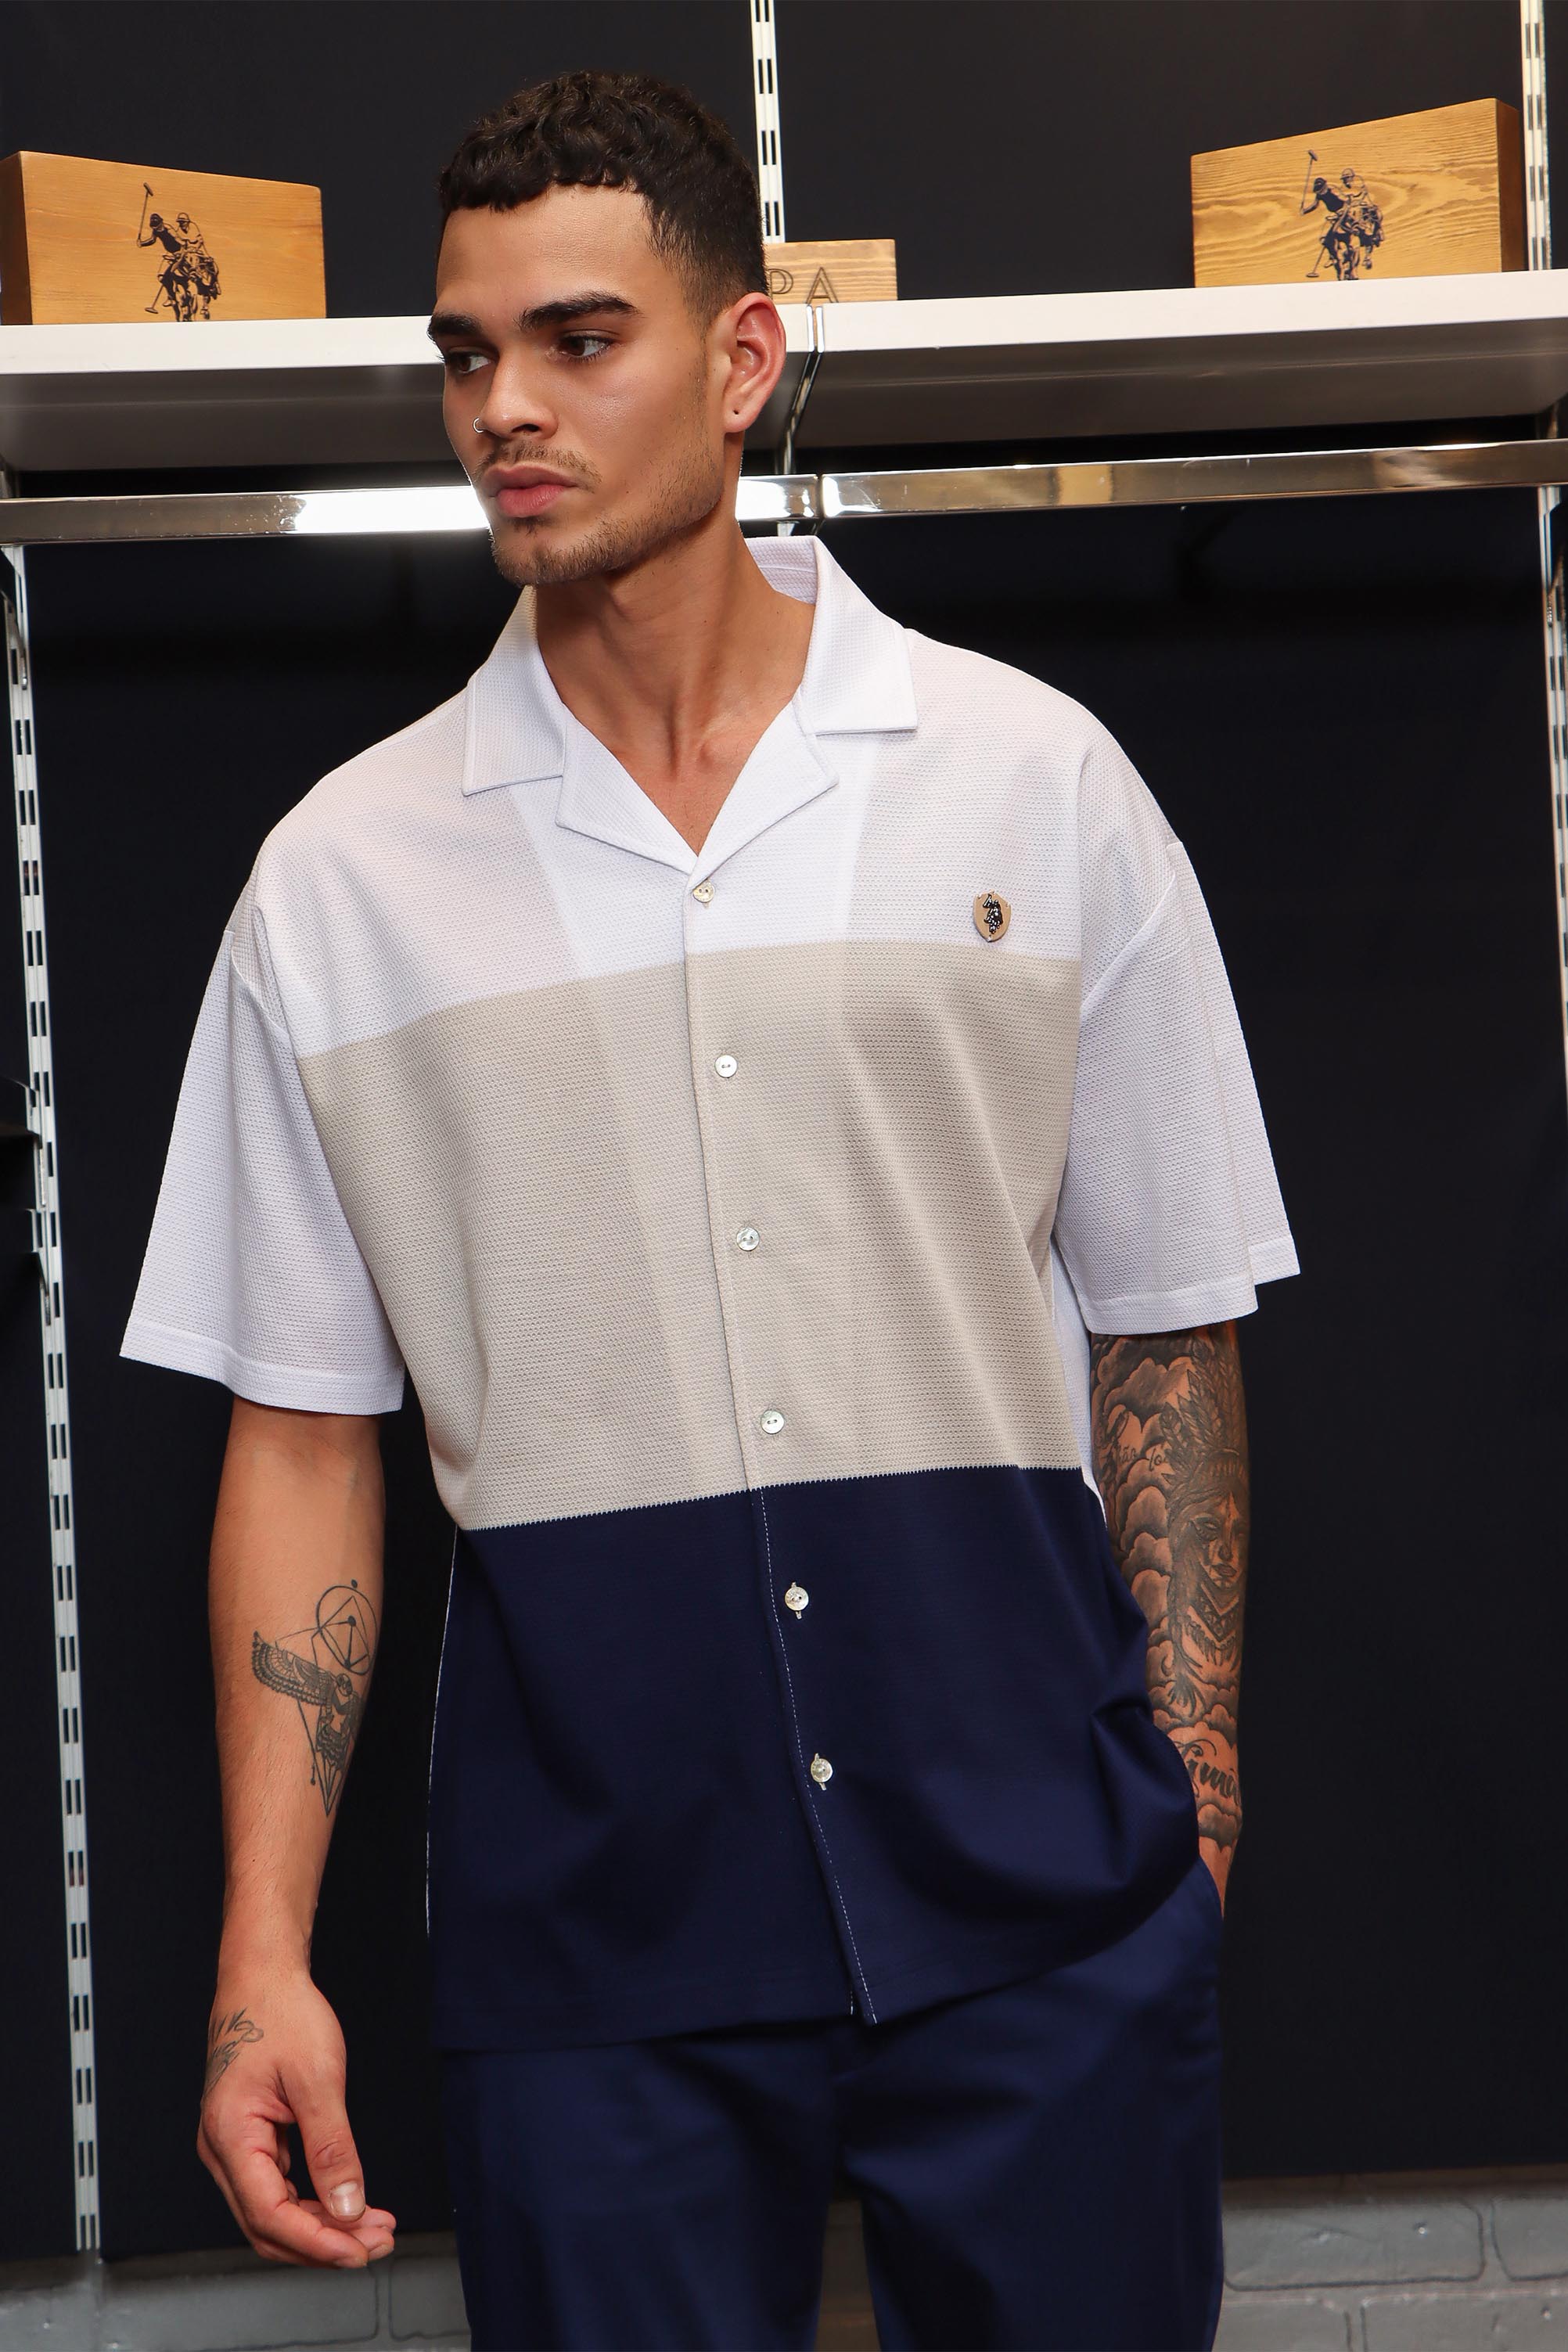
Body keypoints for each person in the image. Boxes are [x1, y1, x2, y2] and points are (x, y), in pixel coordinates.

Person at [120, 67, 1297, 2352]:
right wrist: (263, 1958)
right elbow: (301, 1432)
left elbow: (1168, 1324)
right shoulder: (339, 886)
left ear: (744, 358)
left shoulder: (1033, 781)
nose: (505, 408)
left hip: (1046, 1919)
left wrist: (1193, 1821)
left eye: (580, 340)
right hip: (594, 1960)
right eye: (467, 353)